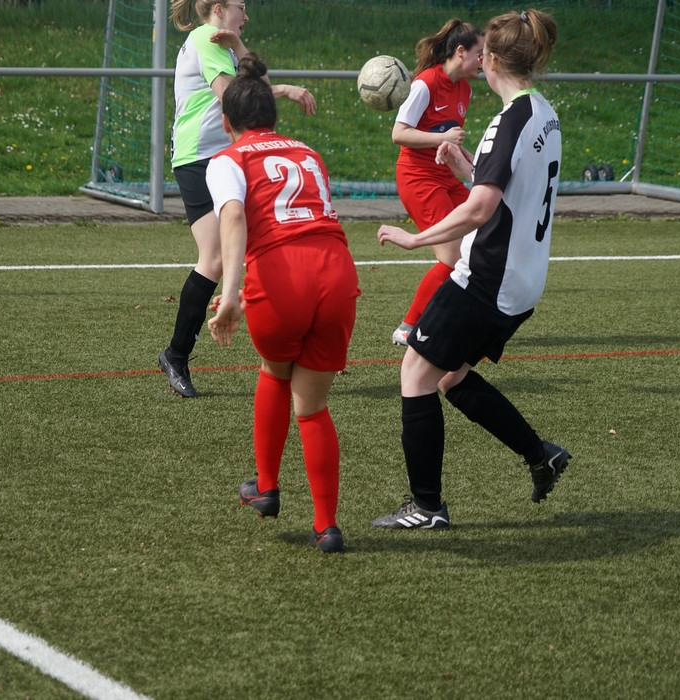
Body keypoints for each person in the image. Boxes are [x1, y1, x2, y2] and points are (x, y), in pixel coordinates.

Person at [373, 9, 570, 530]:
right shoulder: (543, 112)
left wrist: (417, 237)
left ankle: (427, 507)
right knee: (451, 375)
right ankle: (540, 454)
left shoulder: (508, 122)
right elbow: (508, 188)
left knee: (415, 372)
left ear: (492, 60)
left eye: (483, 51)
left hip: (488, 278)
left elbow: (481, 209)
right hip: (525, 281)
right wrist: (466, 167)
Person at [206, 54, 360, 553]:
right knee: (313, 408)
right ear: (274, 117)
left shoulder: (228, 158)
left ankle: (267, 488)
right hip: (337, 273)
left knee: (275, 371)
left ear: (226, 122)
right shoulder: (308, 151)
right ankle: (327, 526)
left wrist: (229, 295)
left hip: (282, 276)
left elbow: (233, 219)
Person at [158, 0, 317, 398]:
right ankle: (175, 355)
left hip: (229, 156)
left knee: (265, 241)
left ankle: (287, 345)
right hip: (200, 158)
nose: (245, 16)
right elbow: (236, 98)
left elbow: (253, 91)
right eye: (240, 7)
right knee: (213, 259)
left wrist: (242, 49)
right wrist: (287, 89)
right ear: (217, 8)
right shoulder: (204, 38)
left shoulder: (224, 45)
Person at [390, 19, 484, 347]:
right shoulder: (425, 84)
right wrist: (441, 136)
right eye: (480, 54)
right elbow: (398, 133)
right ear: (461, 52)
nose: (484, 62)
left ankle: (458, 317)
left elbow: (448, 142)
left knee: (482, 235)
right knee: (451, 258)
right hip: (418, 179)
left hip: (444, 176)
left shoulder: (465, 89)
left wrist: (470, 158)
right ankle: (408, 327)